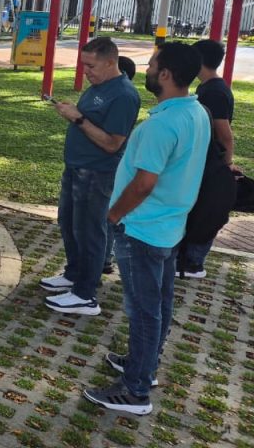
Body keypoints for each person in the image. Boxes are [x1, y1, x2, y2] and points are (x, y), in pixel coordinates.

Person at [84, 43, 209, 416]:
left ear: (166, 74)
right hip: (169, 226)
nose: (148, 68)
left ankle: (135, 391)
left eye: (153, 64)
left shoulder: (162, 124)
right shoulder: (196, 111)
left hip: (143, 228)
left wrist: (114, 216)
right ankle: (143, 365)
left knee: (143, 311)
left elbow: (144, 183)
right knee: (159, 303)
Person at [41, 37, 141, 316]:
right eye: (83, 65)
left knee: (90, 231)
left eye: (91, 65)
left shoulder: (123, 95)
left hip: (98, 172)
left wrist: (78, 118)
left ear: (111, 62)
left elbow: (112, 143)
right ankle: (73, 274)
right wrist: (73, 112)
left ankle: (86, 294)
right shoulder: (99, 86)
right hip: (76, 167)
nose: (86, 71)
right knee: (69, 222)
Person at [181, 39, 237, 277]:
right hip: (204, 161)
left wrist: (225, 167)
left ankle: (193, 263)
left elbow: (225, 135)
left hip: (211, 164)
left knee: (206, 212)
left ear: (199, 61)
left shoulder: (214, 92)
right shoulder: (209, 88)